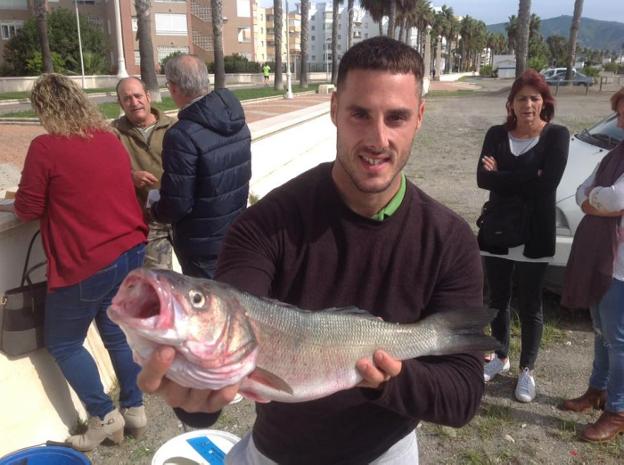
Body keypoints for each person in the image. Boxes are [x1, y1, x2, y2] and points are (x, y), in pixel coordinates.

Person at [138, 37, 485, 465]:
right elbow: (227, 324)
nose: (378, 138)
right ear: (335, 109)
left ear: (419, 118)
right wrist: (194, 394)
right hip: (277, 452)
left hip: (387, 453)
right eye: (360, 114)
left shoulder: (449, 239)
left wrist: (387, 379)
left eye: (396, 117)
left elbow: (463, 396)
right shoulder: (264, 225)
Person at [0, 74, 148, 451]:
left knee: (63, 342)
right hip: (128, 248)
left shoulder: (46, 147)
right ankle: (134, 408)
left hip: (88, 259)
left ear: (45, 110)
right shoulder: (107, 139)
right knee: (114, 331)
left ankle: (103, 417)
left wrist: (17, 200)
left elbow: (29, 207)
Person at [476, 69, 569, 402]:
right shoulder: (496, 134)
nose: (528, 104)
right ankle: (501, 356)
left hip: (535, 234)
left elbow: (549, 183)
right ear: (510, 104)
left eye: (534, 97)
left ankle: (527, 369)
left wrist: (501, 174)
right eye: (521, 98)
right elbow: (481, 180)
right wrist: (529, 174)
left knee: (530, 305)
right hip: (499, 228)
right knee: (497, 299)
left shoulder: (557, 136)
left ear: (544, 102)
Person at [559, 88, 624, 442]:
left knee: (618, 340)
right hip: (603, 259)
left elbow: (616, 196)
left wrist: (598, 198)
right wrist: (599, 199)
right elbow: (585, 190)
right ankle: (596, 391)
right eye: (619, 114)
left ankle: (618, 410)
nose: (621, 121)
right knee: (601, 332)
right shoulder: (615, 155)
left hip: (621, 268)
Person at [151, 54, 251, 279]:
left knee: (208, 307)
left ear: (174, 88)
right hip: (233, 232)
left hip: (201, 244)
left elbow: (177, 204)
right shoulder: (236, 120)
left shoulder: (181, 135)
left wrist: (154, 208)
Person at [112, 76, 175, 270]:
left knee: (197, 279)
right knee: (161, 280)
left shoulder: (173, 127)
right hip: (149, 220)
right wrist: (129, 176)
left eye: (138, 96)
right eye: (127, 98)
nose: (134, 102)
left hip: (180, 213)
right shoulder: (113, 134)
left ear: (148, 97)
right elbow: (105, 172)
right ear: (120, 103)